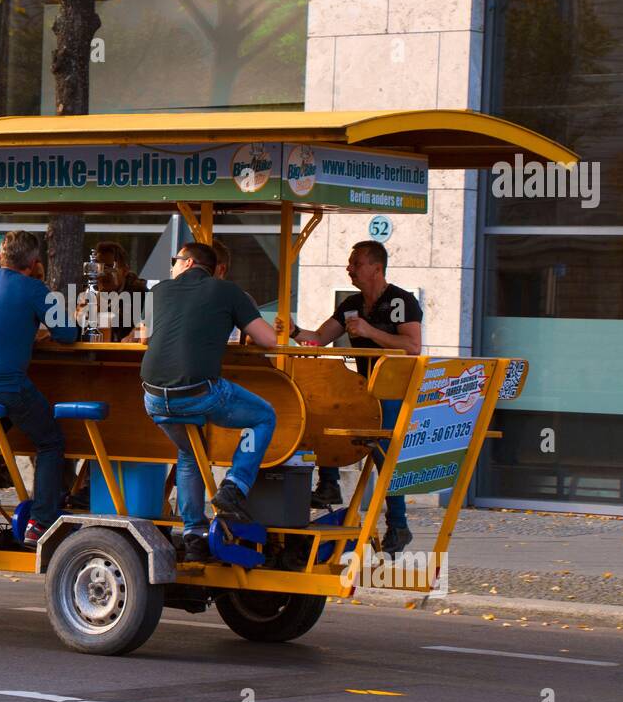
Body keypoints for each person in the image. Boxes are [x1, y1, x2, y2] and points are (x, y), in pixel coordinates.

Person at [141, 241, 278, 563]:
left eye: (175, 260)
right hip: (197, 393)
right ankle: (234, 487)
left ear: (188, 263)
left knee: (190, 450)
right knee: (264, 416)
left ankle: (194, 534)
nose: (172, 265)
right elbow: (269, 340)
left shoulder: (159, 291)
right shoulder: (228, 292)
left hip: (152, 398)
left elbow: (145, 337)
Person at [292, 240, 422, 555]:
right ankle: (329, 482)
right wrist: (293, 331)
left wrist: (369, 331)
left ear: (376, 268)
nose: (349, 269)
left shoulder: (401, 301)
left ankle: (399, 524)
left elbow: (412, 346)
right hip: (363, 391)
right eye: (350, 263)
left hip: (394, 391)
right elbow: (320, 339)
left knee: (383, 452)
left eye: (356, 263)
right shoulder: (351, 304)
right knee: (323, 411)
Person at [0, 230, 78, 547]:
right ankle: (40, 523)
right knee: (51, 442)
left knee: (10, 405)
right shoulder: (34, 288)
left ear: (0, 257)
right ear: (35, 263)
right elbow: (67, 333)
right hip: (4, 384)